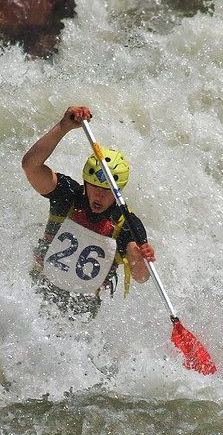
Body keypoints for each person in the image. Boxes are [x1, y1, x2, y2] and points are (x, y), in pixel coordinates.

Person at [22, 106, 155, 318]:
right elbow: (31, 166)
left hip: (82, 309)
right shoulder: (67, 195)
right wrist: (64, 127)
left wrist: (140, 259)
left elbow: (141, 276)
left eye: (107, 191)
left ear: (117, 192)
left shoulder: (127, 223)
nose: (99, 196)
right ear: (85, 182)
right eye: (94, 187)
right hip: (36, 291)